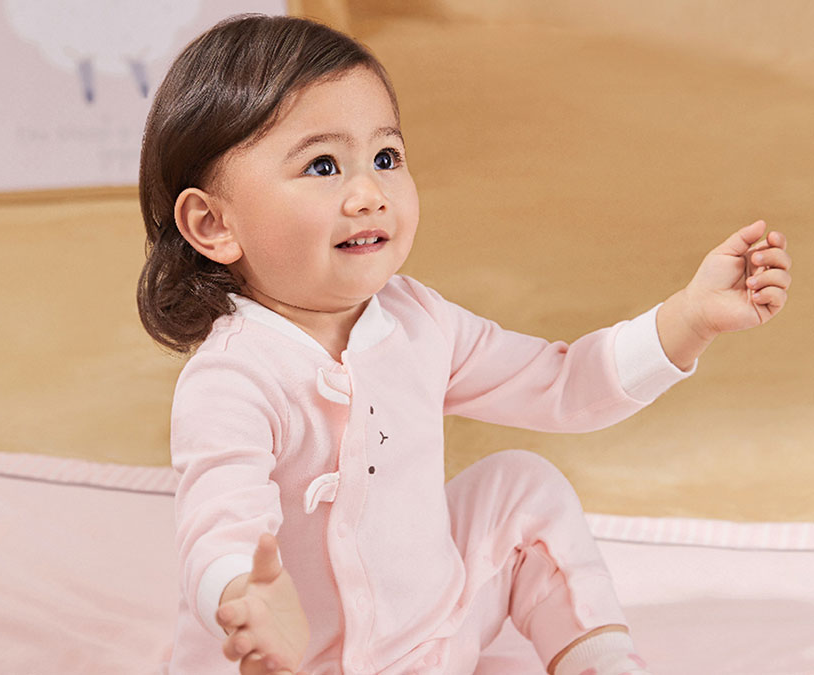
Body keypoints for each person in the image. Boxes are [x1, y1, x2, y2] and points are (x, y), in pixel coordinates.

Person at [137, 14, 792, 675]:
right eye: (323, 165)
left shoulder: (421, 321)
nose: (369, 194)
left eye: (386, 158)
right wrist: (243, 593)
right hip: (284, 661)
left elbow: (563, 385)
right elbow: (217, 520)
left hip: (426, 646)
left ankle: (603, 660)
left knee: (523, 486)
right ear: (213, 224)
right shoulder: (234, 377)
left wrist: (689, 319)